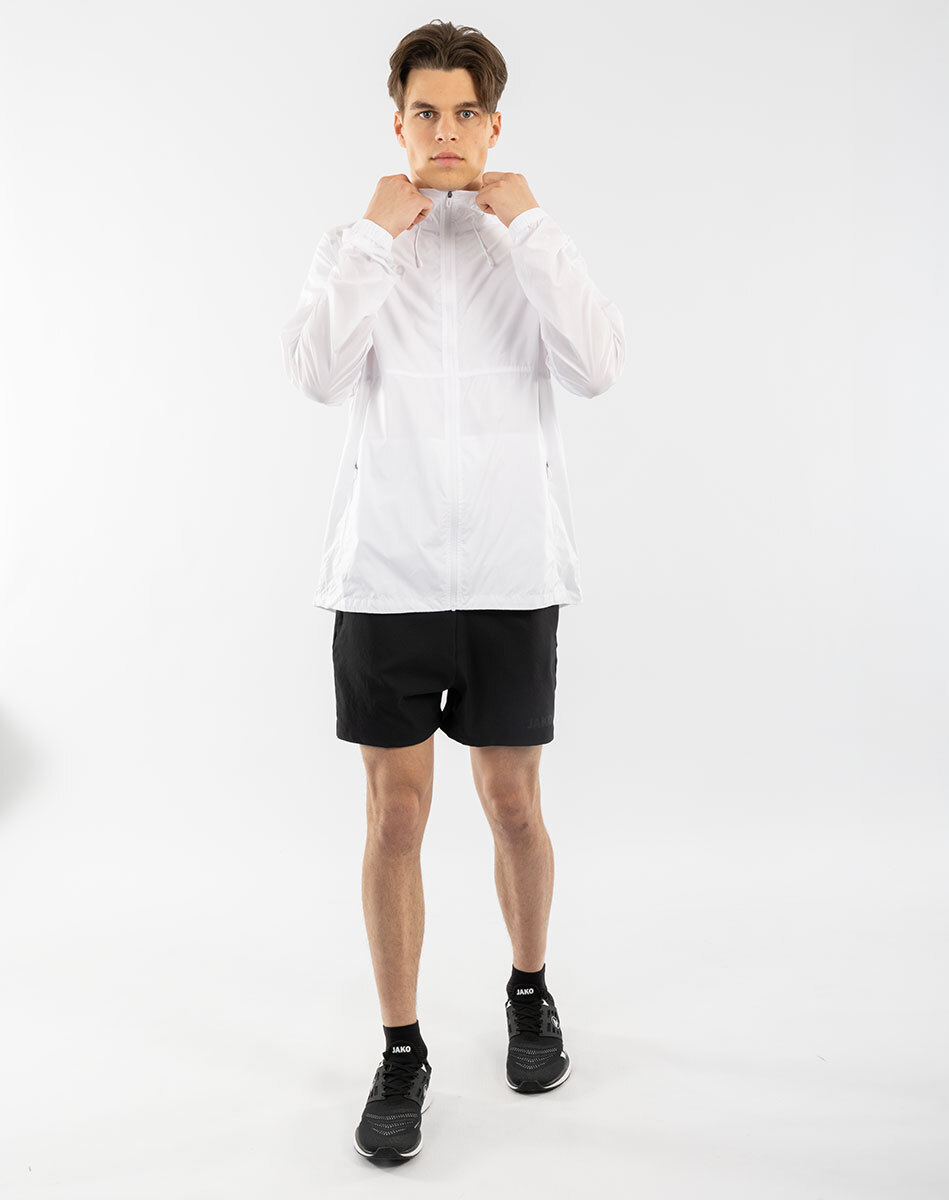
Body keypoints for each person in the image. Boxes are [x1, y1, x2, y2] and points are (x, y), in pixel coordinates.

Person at [280, 19, 624, 1163]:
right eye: (423, 112)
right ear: (397, 125)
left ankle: (528, 987)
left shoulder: (524, 243)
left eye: (462, 112)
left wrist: (530, 225)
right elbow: (318, 374)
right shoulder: (361, 243)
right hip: (387, 575)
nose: (443, 131)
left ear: (491, 123)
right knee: (394, 817)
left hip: (510, 574)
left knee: (513, 804)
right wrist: (368, 239)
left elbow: (596, 366)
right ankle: (400, 1051)